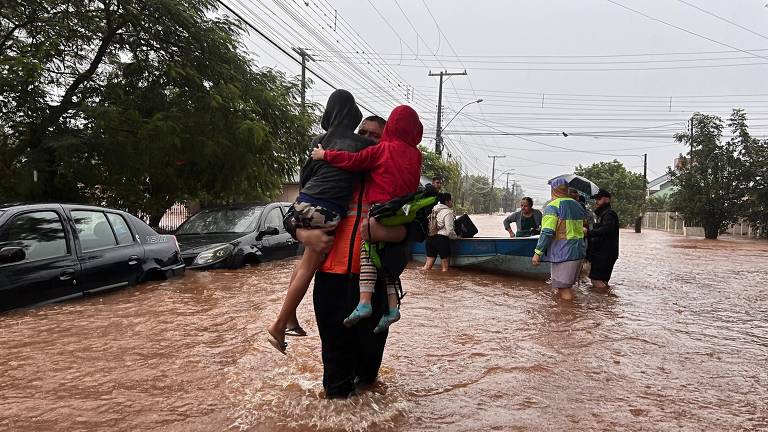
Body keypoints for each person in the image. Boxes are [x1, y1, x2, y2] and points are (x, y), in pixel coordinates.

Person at [267, 89, 375, 354]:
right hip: (326, 210)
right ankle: (279, 325)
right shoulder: (364, 146)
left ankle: (290, 317)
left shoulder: (320, 140)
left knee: (302, 263)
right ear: (354, 115)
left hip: (303, 202)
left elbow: (307, 174)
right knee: (308, 268)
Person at [312, 105, 423, 333]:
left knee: (368, 365)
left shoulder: (378, 155)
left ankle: (371, 305)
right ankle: (386, 309)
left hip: (379, 281)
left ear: (387, 134)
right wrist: (304, 233)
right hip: (332, 278)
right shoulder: (332, 176)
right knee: (333, 363)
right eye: (362, 133)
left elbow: (420, 230)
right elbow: (299, 215)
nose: (367, 139)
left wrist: (393, 233)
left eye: (375, 135)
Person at [531, 180, 589, 300]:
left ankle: (569, 316)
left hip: (562, 253)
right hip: (578, 251)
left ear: (553, 190)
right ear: (566, 190)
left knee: (564, 289)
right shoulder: (578, 205)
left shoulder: (552, 206)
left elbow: (547, 232)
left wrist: (538, 253)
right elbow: (584, 224)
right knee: (563, 287)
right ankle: (564, 314)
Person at [585, 189, 619, 289]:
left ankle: (605, 299)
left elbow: (606, 230)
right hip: (606, 253)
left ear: (607, 200)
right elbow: (604, 228)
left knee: (596, 280)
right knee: (603, 280)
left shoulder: (609, 214)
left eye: (599, 199)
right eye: (596, 199)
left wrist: (588, 232)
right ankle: (605, 302)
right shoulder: (605, 214)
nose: (596, 201)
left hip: (604, 254)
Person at [422, 192, 457, 271]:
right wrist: (456, 237)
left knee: (427, 268)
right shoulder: (448, 212)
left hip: (430, 238)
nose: (452, 202)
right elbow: (450, 230)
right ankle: (444, 283)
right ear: (447, 201)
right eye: (451, 200)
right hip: (441, 240)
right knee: (445, 269)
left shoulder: (434, 209)